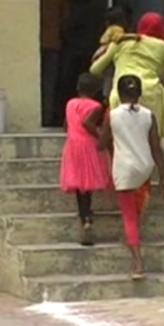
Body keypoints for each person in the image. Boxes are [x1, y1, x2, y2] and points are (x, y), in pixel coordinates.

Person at [98, 75, 164, 280]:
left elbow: (102, 144)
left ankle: (138, 263)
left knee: (128, 215)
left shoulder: (112, 115)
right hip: (145, 167)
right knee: (137, 206)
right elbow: (156, 148)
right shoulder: (149, 115)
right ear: (139, 94)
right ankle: (132, 237)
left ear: (118, 94)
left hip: (124, 169)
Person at [90, 12, 164, 138]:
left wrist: (105, 49)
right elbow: (160, 71)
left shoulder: (120, 43)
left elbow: (95, 70)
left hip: (121, 94)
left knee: (122, 139)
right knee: (150, 139)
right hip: (151, 94)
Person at [59, 73, 111, 246]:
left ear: (78, 88)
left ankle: (85, 216)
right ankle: (87, 214)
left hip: (72, 144)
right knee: (87, 181)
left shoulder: (70, 103)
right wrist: (99, 136)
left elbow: (66, 125)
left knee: (79, 183)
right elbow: (88, 124)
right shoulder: (95, 106)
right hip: (87, 145)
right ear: (96, 90)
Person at [54, 0, 103, 125]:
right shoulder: (97, 13)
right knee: (91, 85)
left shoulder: (77, 12)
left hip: (75, 53)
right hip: (91, 52)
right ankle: (94, 116)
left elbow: (66, 29)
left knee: (70, 86)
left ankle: (70, 116)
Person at [39, 0, 69, 127]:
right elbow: (65, 18)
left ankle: (39, 117)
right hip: (53, 42)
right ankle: (47, 117)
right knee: (50, 83)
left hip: (34, 43)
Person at [93, 6, 138, 100]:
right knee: (110, 78)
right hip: (109, 57)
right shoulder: (116, 29)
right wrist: (134, 36)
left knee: (107, 78)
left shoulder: (110, 29)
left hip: (105, 56)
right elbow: (119, 38)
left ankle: (106, 96)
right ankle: (107, 97)